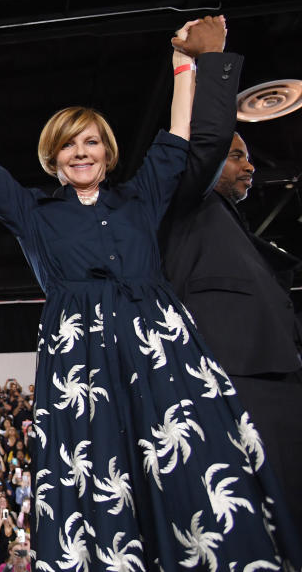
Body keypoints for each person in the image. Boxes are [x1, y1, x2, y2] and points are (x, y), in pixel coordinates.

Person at [0, 17, 302, 566]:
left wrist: (183, 65)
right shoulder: (34, 212)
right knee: (100, 478)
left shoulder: (139, 198)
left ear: (107, 150)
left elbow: (176, 140)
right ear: (53, 155)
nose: (81, 152)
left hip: (161, 350)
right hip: (83, 365)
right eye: (68, 145)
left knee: (192, 466)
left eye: (91, 141)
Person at [160, 51, 302, 536]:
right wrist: (207, 63)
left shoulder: (235, 225)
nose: (250, 168)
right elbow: (207, 140)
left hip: (277, 373)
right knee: (251, 518)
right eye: (237, 155)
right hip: (233, 374)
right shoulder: (187, 202)